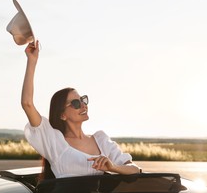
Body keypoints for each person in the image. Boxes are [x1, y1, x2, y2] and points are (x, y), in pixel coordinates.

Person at [21, 41, 141, 179]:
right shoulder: (54, 142)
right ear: (62, 115)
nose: (84, 105)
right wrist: (32, 60)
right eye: (76, 103)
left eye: (83, 100)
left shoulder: (101, 140)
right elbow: (27, 103)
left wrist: (113, 167)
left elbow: (135, 170)